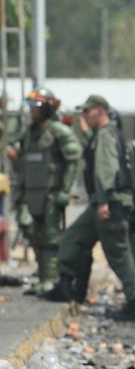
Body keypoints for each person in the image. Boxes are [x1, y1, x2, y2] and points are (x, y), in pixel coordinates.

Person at [44, 95, 135, 320]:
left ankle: (134, 301)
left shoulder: (107, 135)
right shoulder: (107, 134)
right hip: (103, 201)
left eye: (88, 112)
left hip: (109, 202)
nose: (84, 116)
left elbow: (105, 169)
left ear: (100, 111)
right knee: (74, 238)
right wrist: (86, 129)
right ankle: (67, 285)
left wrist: (105, 200)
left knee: (118, 254)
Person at [8, 88, 81, 295]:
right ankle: (42, 278)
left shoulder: (59, 131)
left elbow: (73, 161)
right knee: (31, 232)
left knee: (50, 238)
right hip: (30, 193)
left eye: (37, 107)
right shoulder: (29, 132)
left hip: (51, 193)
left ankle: (51, 279)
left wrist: (65, 190)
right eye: (31, 107)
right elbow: (21, 157)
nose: (33, 111)